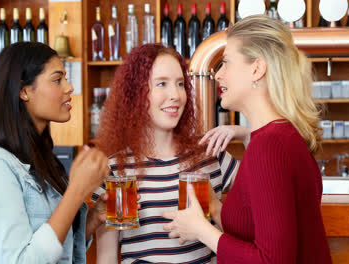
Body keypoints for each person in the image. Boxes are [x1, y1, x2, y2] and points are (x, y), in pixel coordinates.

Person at [162, 15, 333, 264]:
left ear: (257, 69)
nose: (218, 74)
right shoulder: (281, 136)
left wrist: (201, 230)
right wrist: (215, 207)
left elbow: (271, 260)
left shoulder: (269, 147)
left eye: (227, 63)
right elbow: (258, 227)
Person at [0, 42, 110, 263]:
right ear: (24, 91)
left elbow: (50, 245)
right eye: (57, 80)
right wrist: (76, 191)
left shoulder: (39, 157)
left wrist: (92, 220)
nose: (69, 88)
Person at [91, 43, 239, 264]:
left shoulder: (210, 155)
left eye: (180, 84)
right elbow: (107, 257)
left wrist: (245, 133)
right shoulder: (115, 169)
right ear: (136, 94)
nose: (176, 95)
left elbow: (256, 226)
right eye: (162, 84)